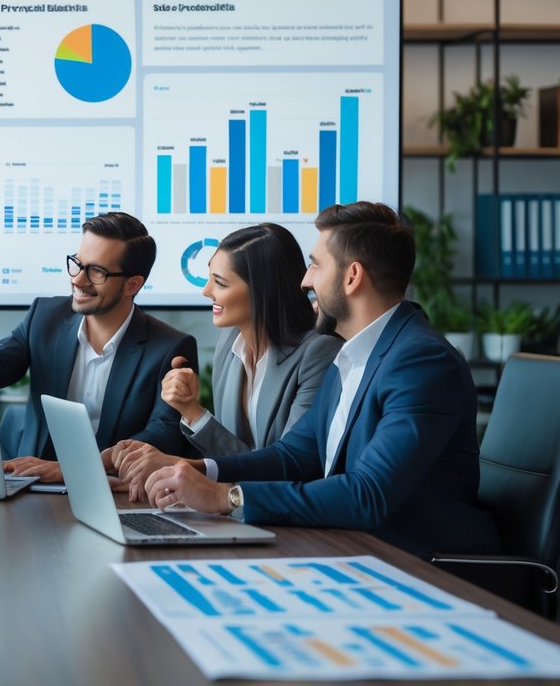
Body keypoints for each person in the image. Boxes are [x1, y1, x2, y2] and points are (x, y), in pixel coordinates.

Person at [113, 202, 499, 558]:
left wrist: (223, 496)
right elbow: (294, 456)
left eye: (315, 265)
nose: (304, 280)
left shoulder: (421, 361)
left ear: (352, 277)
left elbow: (369, 494)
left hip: (419, 566)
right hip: (348, 549)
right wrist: (198, 471)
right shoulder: (350, 354)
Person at [0, 212, 199, 482]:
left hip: (111, 492)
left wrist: (74, 469)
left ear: (133, 284)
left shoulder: (170, 348)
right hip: (32, 485)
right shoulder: (45, 316)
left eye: (96, 272)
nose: (78, 280)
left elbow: (162, 434)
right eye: (77, 264)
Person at [158, 223, 341, 473]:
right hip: (229, 504)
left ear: (262, 291)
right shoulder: (230, 342)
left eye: (220, 283)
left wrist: (194, 416)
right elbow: (231, 453)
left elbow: (286, 467)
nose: (206, 291)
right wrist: (188, 408)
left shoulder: (317, 354)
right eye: (209, 279)